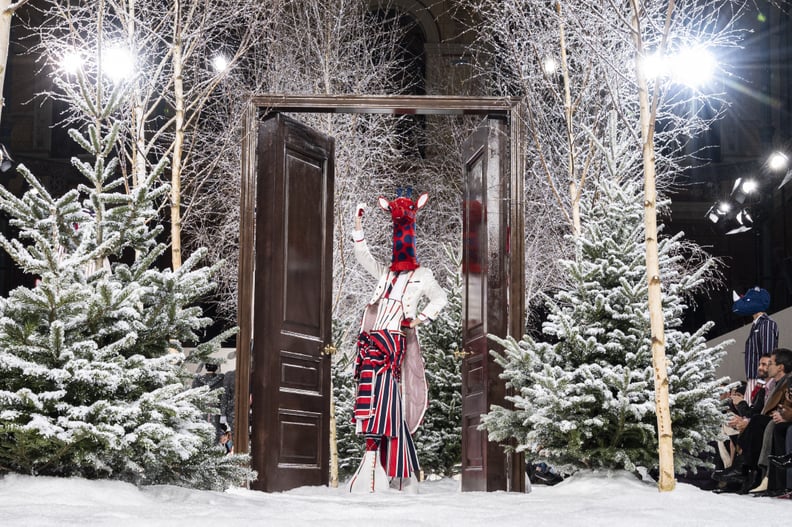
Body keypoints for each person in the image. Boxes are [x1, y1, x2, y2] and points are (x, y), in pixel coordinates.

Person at [348, 192, 447, 493]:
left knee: (383, 396)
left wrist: (422, 318)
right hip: (372, 338)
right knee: (378, 400)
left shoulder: (423, 274)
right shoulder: (386, 273)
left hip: (392, 342)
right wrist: (358, 225)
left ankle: (378, 462)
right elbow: (362, 256)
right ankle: (390, 467)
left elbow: (441, 298)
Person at [732, 287, 778, 405]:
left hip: (760, 379)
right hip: (754, 378)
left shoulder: (767, 324)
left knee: (751, 414)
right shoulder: (757, 325)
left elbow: (768, 353)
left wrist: (762, 380)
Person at [192, 363, 226, 441]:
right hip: (216, 412)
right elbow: (224, 398)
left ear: (206, 368)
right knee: (215, 435)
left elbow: (193, 399)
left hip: (201, 412)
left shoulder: (197, 381)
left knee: (201, 435)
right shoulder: (222, 381)